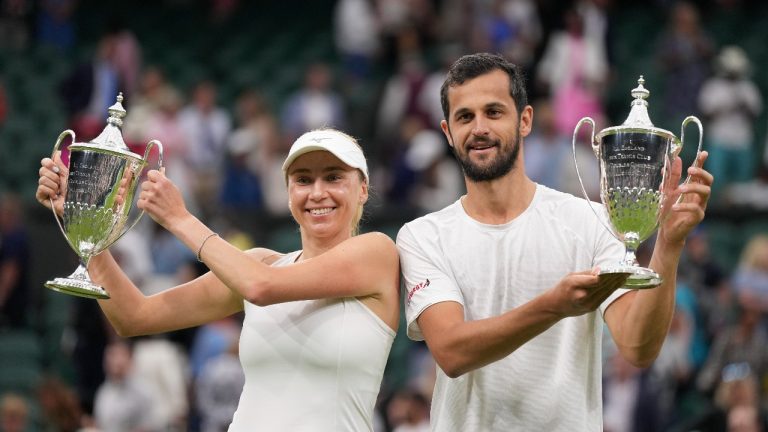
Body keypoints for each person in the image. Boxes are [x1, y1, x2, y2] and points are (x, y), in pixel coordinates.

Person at [396, 53, 712, 431]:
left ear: (525, 120)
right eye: (466, 116)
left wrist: (669, 244)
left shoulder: (590, 220)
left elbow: (638, 348)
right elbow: (451, 350)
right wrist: (554, 306)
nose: (479, 128)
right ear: (448, 132)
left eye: (494, 112)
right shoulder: (423, 235)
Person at [36, 128, 400, 431]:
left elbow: (260, 288)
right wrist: (82, 224)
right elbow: (134, 317)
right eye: (303, 180)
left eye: (334, 177)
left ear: (363, 189)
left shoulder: (376, 254)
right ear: (289, 192)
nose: (317, 192)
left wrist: (180, 219)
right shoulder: (260, 263)